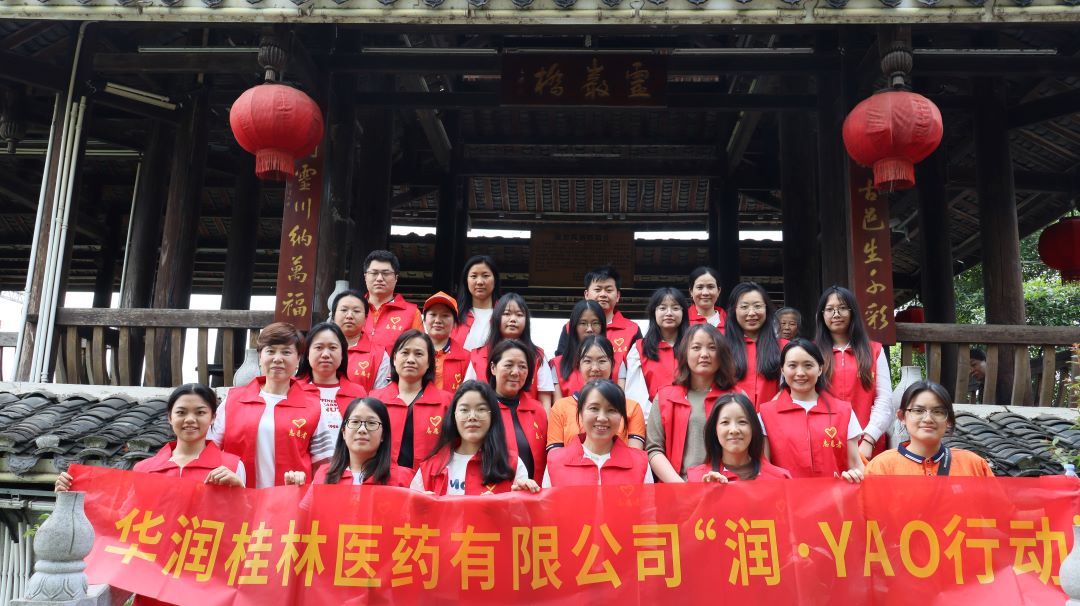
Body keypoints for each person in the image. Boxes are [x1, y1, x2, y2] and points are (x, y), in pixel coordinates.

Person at [209, 323, 334, 488]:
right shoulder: (233, 400)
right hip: (237, 496)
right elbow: (211, 451)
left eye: (286, 352)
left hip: (290, 499)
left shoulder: (314, 406)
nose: (277, 358)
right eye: (270, 351)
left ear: (298, 359)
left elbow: (323, 464)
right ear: (260, 357)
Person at [55, 383, 245, 492]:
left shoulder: (232, 466)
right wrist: (70, 494)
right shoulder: (144, 469)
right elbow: (122, 518)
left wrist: (240, 491)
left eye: (200, 412)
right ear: (170, 418)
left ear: (213, 417)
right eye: (181, 412)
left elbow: (246, 525)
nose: (190, 419)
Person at [759, 339, 864, 483]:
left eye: (808, 365)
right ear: (782, 370)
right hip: (786, 496)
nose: (800, 373)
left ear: (820, 369)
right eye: (792, 366)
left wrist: (855, 475)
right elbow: (764, 468)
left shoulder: (844, 412)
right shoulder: (766, 415)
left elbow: (856, 464)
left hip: (835, 495)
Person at [646, 324, 737, 482]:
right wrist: (680, 487)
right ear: (684, 353)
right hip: (677, 488)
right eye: (696, 347)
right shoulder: (665, 397)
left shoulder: (736, 397)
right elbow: (654, 449)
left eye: (712, 347)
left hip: (724, 486)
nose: (704, 354)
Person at [412, 381, 539, 495]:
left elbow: (522, 513)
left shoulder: (512, 465)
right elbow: (409, 511)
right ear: (454, 416)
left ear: (492, 416)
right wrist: (421, 508)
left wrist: (513, 503)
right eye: (464, 410)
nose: (472, 416)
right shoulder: (429, 469)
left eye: (481, 409)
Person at [814, 286, 894, 459]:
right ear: (822, 315)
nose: (836, 314)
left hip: (867, 444)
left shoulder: (874, 351)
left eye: (842, 308)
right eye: (829, 309)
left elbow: (884, 399)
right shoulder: (812, 352)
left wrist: (869, 438)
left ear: (853, 312)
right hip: (824, 442)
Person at [866, 381, 993, 477]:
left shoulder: (974, 465)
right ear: (902, 416)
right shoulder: (881, 467)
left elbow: (996, 504)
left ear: (949, 420)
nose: (928, 419)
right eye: (918, 410)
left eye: (937, 411)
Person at [369, 330, 454, 470]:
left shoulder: (447, 403)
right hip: (381, 478)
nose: (410, 360)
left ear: (429, 362)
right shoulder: (374, 400)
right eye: (405, 352)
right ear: (394, 359)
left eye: (419, 354)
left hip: (428, 481)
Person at [544, 380, 653, 487]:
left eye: (611, 410)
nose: (602, 418)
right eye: (594, 408)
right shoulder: (555, 462)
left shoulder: (640, 463)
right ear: (581, 413)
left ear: (621, 416)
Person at [547, 336, 647, 450]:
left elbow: (635, 455)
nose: (595, 368)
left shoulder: (632, 408)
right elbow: (555, 457)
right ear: (579, 366)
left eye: (602, 361)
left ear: (612, 364)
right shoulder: (560, 408)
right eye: (587, 361)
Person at [464, 293, 555, 409]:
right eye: (506, 314)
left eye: (519, 315)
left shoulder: (538, 355)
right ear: (496, 318)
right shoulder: (477, 355)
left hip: (526, 418)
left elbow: (545, 400)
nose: (513, 319)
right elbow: (467, 394)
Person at [310, 397, 414, 487]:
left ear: (383, 434)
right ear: (344, 432)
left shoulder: (404, 479)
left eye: (371, 423)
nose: (362, 429)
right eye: (355, 422)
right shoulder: (324, 475)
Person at [686, 393, 791, 482]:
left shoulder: (779, 478)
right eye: (725, 422)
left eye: (742, 422)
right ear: (715, 430)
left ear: (753, 427)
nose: (734, 430)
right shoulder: (698, 478)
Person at [485, 339, 549, 483]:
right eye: (508, 365)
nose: (516, 372)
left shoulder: (538, 410)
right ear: (493, 368)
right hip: (493, 492)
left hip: (533, 491)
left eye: (522, 366)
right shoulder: (482, 408)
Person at [555, 266, 642, 367]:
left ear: (618, 296)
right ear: (586, 294)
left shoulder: (632, 329)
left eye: (609, 290)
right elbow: (561, 365)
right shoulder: (571, 327)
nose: (603, 294)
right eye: (597, 289)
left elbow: (637, 367)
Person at [624, 287, 689, 414]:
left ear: (683, 313)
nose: (669, 313)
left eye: (675, 308)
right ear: (654, 312)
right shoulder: (639, 349)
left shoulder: (693, 346)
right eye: (662, 308)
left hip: (689, 416)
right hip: (652, 418)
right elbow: (635, 395)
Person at [296, 321, 368, 433]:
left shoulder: (358, 393)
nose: (325, 354)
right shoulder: (293, 388)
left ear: (342, 354)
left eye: (333, 347)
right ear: (307, 354)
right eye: (319, 347)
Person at [724, 282, 785, 409]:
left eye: (757, 306)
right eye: (744, 307)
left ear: (766, 309)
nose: (751, 313)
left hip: (773, 416)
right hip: (733, 416)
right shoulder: (721, 347)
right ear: (734, 310)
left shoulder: (784, 347)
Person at [552, 300, 625, 398]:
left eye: (595, 323)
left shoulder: (619, 362)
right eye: (583, 323)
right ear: (574, 327)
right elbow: (558, 405)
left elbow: (621, 401)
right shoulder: (557, 365)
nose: (589, 329)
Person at [361, 249, 423, 350]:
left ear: (396, 278)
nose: (379, 278)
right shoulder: (353, 309)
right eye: (374, 273)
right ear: (365, 277)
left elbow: (419, 350)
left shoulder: (412, 313)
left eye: (386, 273)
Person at [331, 288, 391, 391]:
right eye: (344, 310)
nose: (349, 316)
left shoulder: (380, 355)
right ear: (333, 316)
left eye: (356, 311)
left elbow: (381, 395)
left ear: (366, 318)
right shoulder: (319, 349)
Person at [423, 291, 470, 393]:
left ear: (455, 324)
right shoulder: (413, 352)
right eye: (433, 314)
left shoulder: (466, 358)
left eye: (445, 315)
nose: (438, 320)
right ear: (424, 320)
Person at [452, 255, 501, 351]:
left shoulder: (505, 315)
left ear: (495, 280)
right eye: (474, 276)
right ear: (466, 281)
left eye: (485, 276)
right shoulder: (453, 316)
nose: (479, 282)